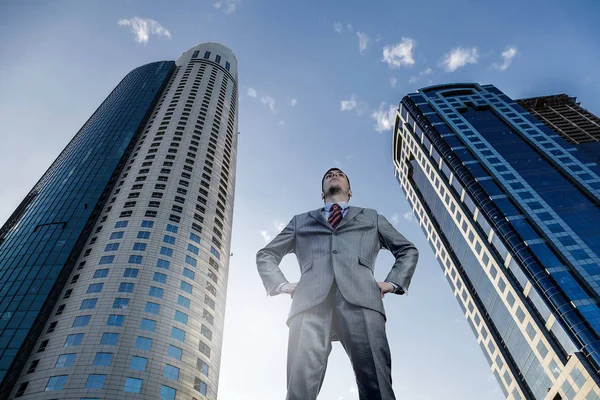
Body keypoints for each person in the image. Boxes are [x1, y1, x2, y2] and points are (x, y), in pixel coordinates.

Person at [256, 168, 419, 400]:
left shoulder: (371, 217)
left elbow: (407, 249)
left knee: (377, 385)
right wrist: (281, 285)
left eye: (340, 174)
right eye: (328, 175)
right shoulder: (300, 221)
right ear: (322, 192)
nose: (334, 174)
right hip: (308, 304)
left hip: (363, 300)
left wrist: (393, 282)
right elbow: (266, 254)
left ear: (350, 190)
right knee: (299, 388)